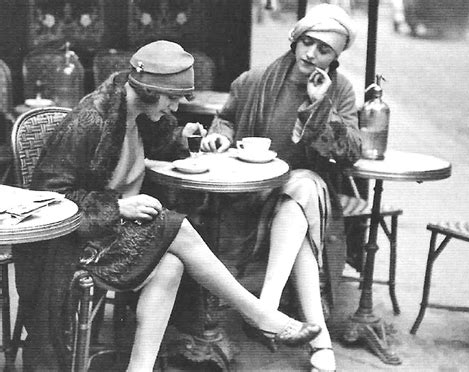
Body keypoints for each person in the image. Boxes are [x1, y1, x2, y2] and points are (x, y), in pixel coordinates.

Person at [13, 40, 322, 372]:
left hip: (113, 232)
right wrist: (117, 207)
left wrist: (188, 138)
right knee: (176, 226)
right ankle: (259, 313)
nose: (175, 108)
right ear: (148, 90)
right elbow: (51, 197)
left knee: (173, 262)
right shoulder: (92, 120)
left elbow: (161, 144)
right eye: (172, 99)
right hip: (75, 241)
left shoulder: (137, 112)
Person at [201, 4, 362, 371]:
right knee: (298, 220)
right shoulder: (255, 80)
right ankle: (320, 342)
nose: (311, 54)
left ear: (335, 57)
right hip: (251, 193)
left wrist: (322, 105)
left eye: (324, 50)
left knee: (302, 185)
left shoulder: (340, 90)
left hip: (311, 193)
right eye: (307, 42)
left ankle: (264, 309)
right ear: (295, 39)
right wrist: (219, 138)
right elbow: (225, 120)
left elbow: (350, 153)